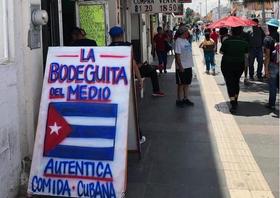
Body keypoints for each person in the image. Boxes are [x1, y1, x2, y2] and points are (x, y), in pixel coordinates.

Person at [109, 26, 164, 97]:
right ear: (121, 35)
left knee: (147, 67)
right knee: (152, 71)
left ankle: (153, 67)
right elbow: (133, 64)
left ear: (111, 36)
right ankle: (156, 91)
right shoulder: (128, 46)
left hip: (115, 75)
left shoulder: (108, 48)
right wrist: (140, 80)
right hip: (129, 73)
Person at [220, 26, 249, 113]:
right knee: (236, 82)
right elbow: (246, 55)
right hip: (239, 65)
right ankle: (235, 99)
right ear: (241, 32)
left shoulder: (227, 41)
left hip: (227, 65)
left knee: (230, 83)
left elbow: (221, 52)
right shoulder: (244, 42)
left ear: (232, 31)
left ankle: (233, 103)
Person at [175, 26, 194, 107]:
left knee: (187, 83)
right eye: (187, 32)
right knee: (181, 84)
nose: (188, 33)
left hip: (188, 66)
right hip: (182, 67)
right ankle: (179, 100)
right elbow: (177, 55)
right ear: (183, 33)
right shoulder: (178, 41)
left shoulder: (186, 40)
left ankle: (185, 98)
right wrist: (180, 66)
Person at [263, 18, 279, 109]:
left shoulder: (267, 39)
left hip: (273, 64)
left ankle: (271, 104)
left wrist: (266, 71)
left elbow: (267, 55)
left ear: (269, 28)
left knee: (272, 85)